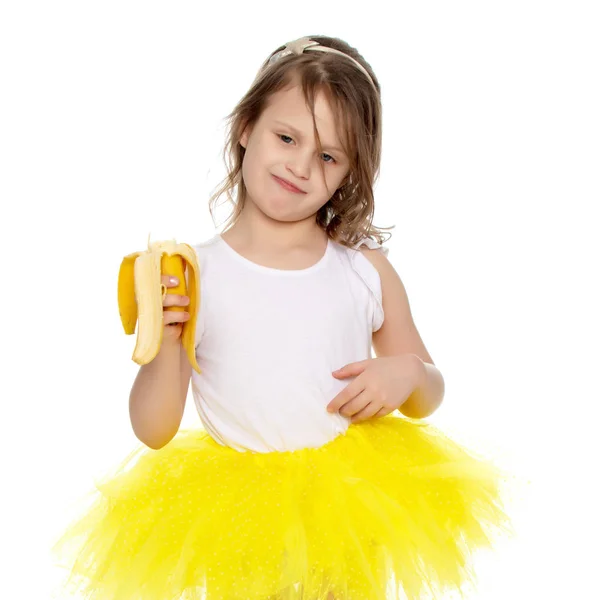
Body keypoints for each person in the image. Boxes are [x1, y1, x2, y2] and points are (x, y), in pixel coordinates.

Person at [51, 35, 514, 600]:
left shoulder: (364, 271)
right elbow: (154, 430)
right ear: (246, 127)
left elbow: (427, 391)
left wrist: (411, 373)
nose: (300, 166)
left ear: (350, 171)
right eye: (287, 137)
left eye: (327, 156)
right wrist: (169, 340)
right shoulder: (195, 275)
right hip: (238, 512)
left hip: (348, 498)